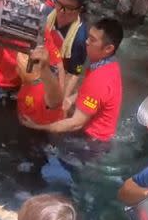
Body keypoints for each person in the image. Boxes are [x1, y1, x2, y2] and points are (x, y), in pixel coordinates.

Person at [20, 18, 123, 147]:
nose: (86, 42)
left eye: (92, 39)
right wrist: (72, 98)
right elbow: (99, 95)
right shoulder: (109, 65)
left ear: (108, 48)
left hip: (92, 142)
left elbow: (76, 123)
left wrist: (37, 127)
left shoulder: (98, 79)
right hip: (102, 133)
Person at [16, 46, 64, 126]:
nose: (16, 70)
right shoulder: (27, 83)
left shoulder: (45, 88)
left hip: (44, 134)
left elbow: (56, 100)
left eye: (19, 67)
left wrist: (44, 68)